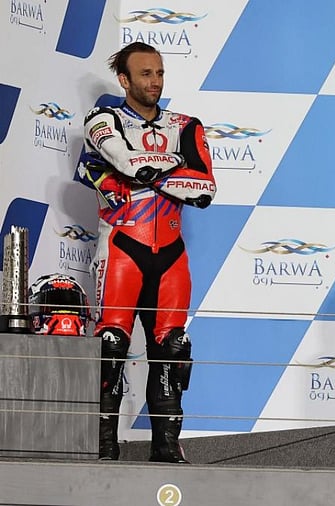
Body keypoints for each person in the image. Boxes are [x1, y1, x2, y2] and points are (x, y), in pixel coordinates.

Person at [74, 42, 216, 463]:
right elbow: (122, 162)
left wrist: (141, 172)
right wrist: (168, 168)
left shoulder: (187, 124)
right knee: (112, 345)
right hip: (121, 249)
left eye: (159, 73)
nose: (154, 81)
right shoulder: (103, 119)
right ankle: (102, 449)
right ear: (125, 79)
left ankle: (167, 450)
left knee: (173, 348)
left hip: (171, 253)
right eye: (145, 74)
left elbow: (205, 189)